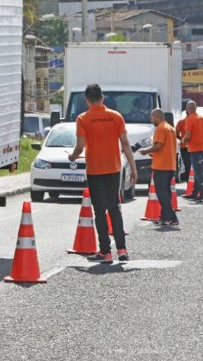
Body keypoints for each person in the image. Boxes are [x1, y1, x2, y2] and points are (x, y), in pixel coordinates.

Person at [68, 83, 137, 264]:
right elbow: (126, 144)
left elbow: (80, 146)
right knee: (114, 208)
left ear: (87, 100)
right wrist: (133, 168)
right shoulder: (116, 117)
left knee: (99, 211)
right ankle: (122, 249)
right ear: (102, 97)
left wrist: (72, 157)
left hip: (95, 170)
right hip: (113, 169)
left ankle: (105, 251)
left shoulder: (83, 118)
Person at [141, 108, 178, 226]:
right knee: (165, 193)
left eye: (152, 118)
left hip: (161, 166)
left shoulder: (161, 128)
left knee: (162, 193)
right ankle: (166, 217)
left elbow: (158, 146)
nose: (151, 120)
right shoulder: (170, 128)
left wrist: (146, 151)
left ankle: (170, 218)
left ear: (157, 117)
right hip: (169, 165)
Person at [183, 100, 203, 202]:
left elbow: (188, 136)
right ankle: (195, 193)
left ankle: (202, 195)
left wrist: (184, 140)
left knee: (198, 173)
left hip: (194, 149)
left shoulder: (189, 119)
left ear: (187, 109)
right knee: (198, 172)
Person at [176, 109, 190, 182]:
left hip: (184, 147)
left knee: (187, 165)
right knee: (196, 166)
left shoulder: (181, 122)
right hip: (198, 147)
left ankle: (188, 181)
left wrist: (181, 139)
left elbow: (176, 134)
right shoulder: (201, 121)